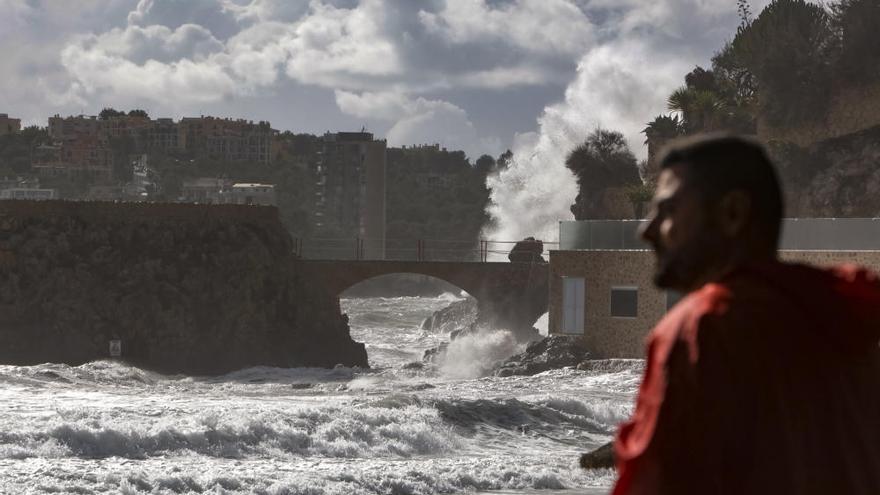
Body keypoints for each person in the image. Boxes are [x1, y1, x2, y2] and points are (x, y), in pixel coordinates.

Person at [612, 134, 880, 494]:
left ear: (732, 213)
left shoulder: (701, 328)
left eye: (669, 211)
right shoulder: (846, 319)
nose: (646, 230)